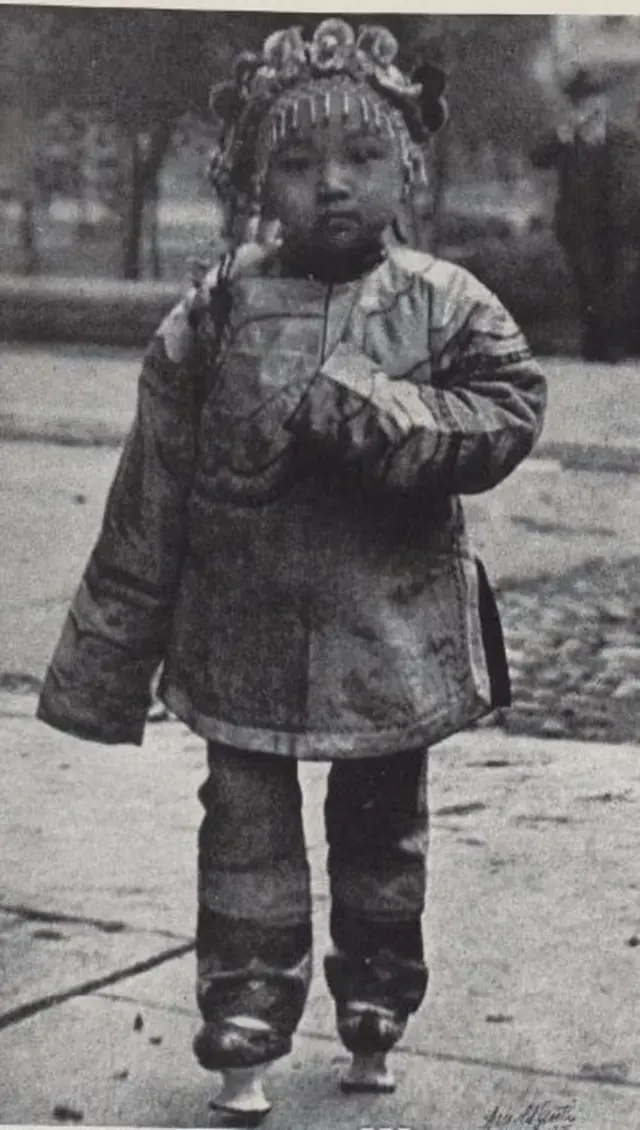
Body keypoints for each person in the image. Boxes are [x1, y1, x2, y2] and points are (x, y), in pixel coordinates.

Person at [36, 20, 547, 1124]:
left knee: (381, 827)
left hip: (387, 634)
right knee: (243, 829)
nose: (333, 186)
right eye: (300, 162)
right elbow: (152, 491)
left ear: (406, 169)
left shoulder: (444, 302)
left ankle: (376, 996)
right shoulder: (213, 313)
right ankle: (247, 1011)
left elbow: (512, 408)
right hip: (242, 632)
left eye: (361, 159)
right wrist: (104, 667)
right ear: (253, 179)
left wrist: (382, 412)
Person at [531, 66, 640, 362]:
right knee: (589, 284)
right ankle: (597, 347)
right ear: (575, 105)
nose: (592, 105)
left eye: (597, 97)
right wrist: (563, 134)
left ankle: (610, 346)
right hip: (580, 227)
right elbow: (537, 158)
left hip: (620, 227)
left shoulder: (623, 138)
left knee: (618, 284)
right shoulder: (567, 139)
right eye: (584, 100)